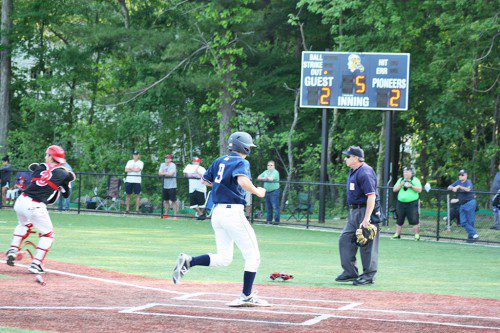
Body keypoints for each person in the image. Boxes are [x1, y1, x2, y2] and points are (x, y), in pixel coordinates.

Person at [172, 131, 269, 307]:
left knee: (224, 259)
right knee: (253, 256)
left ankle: (190, 261)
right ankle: (246, 296)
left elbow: (205, 180)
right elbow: (242, 181)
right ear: (244, 147)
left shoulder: (219, 161)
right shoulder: (241, 161)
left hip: (217, 213)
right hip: (233, 213)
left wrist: (222, 184)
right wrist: (257, 191)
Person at [5, 145, 75, 274]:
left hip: (21, 200)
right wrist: (65, 183)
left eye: (47, 155)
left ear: (51, 156)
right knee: (48, 235)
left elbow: (38, 173)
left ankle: (13, 249)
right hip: (35, 205)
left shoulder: (40, 167)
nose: (45, 157)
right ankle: (36, 264)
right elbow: (66, 194)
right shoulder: (63, 173)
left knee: (23, 224)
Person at [335, 146, 381, 286]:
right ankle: (350, 272)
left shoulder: (365, 172)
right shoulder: (353, 171)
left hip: (366, 211)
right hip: (354, 211)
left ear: (355, 158)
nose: (345, 158)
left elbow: (371, 196)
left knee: (367, 243)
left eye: (348, 156)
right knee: (345, 238)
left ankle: (368, 275)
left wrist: (366, 218)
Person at [391, 167, 423, 240]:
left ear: (411, 173)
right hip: (400, 203)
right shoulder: (400, 180)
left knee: (414, 219)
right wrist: (400, 185)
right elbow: (394, 189)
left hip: (412, 203)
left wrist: (411, 186)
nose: (405, 173)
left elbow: (419, 190)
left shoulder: (415, 180)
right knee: (399, 218)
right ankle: (397, 234)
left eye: (407, 172)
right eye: (404, 172)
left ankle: (417, 235)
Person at [447, 169, 478, 243]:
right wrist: (452, 187)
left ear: (466, 175)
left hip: (470, 203)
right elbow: (449, 187)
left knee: (471, 221)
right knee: (463, 222)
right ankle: (474, 234)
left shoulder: (468, 181)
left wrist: (458, 187)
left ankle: (471, 239)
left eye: (462, 175)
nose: (460, 176)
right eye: (459, 174)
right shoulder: (458, 181)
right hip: (462, 204)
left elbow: (468, 189)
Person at [257, 160, 280, 224]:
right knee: (268, 207)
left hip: (274, 192)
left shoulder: (275, 172)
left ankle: (276, 221)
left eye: (271, 165)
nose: (269, 166)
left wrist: (265, 178)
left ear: (274, 166)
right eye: (268, 165)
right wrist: (265, 178)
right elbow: (258, 177)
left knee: (275, 207)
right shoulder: (266, 171)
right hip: (267, 192)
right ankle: (269, 221)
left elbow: (271, 179)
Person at [159, 154, 178, 219]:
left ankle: (175, 215)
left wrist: (164, 173)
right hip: (165, 186)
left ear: (170, 159)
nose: (166, 159)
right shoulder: (162, 165)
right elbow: (159, 173)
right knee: (166, 200)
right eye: (166, 158)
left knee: (173, 200)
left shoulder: (173, 165)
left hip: (172, 186)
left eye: (168, 158)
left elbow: (171, 174)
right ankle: (166, 214)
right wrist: (166, 174)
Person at [124, 150, 143, 214]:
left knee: (137, 195)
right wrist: (133, 169)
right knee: (128, 194)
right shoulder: (129, 161)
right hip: (129, 180)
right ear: (133, 155)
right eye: (134, 155)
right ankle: (127, 209)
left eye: (136, 154)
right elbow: (126, 170)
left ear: (138, 155)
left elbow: (138, 170)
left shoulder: (141, 162)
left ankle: (137, 210)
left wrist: (130, 169)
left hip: (137, 181)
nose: (135, 156)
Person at [490, 164, 500, 230]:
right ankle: (496, 224)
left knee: (499, 210)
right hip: (493, 194)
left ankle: (499, 225)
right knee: (494, 210)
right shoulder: (497, 173)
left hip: (498, 194)